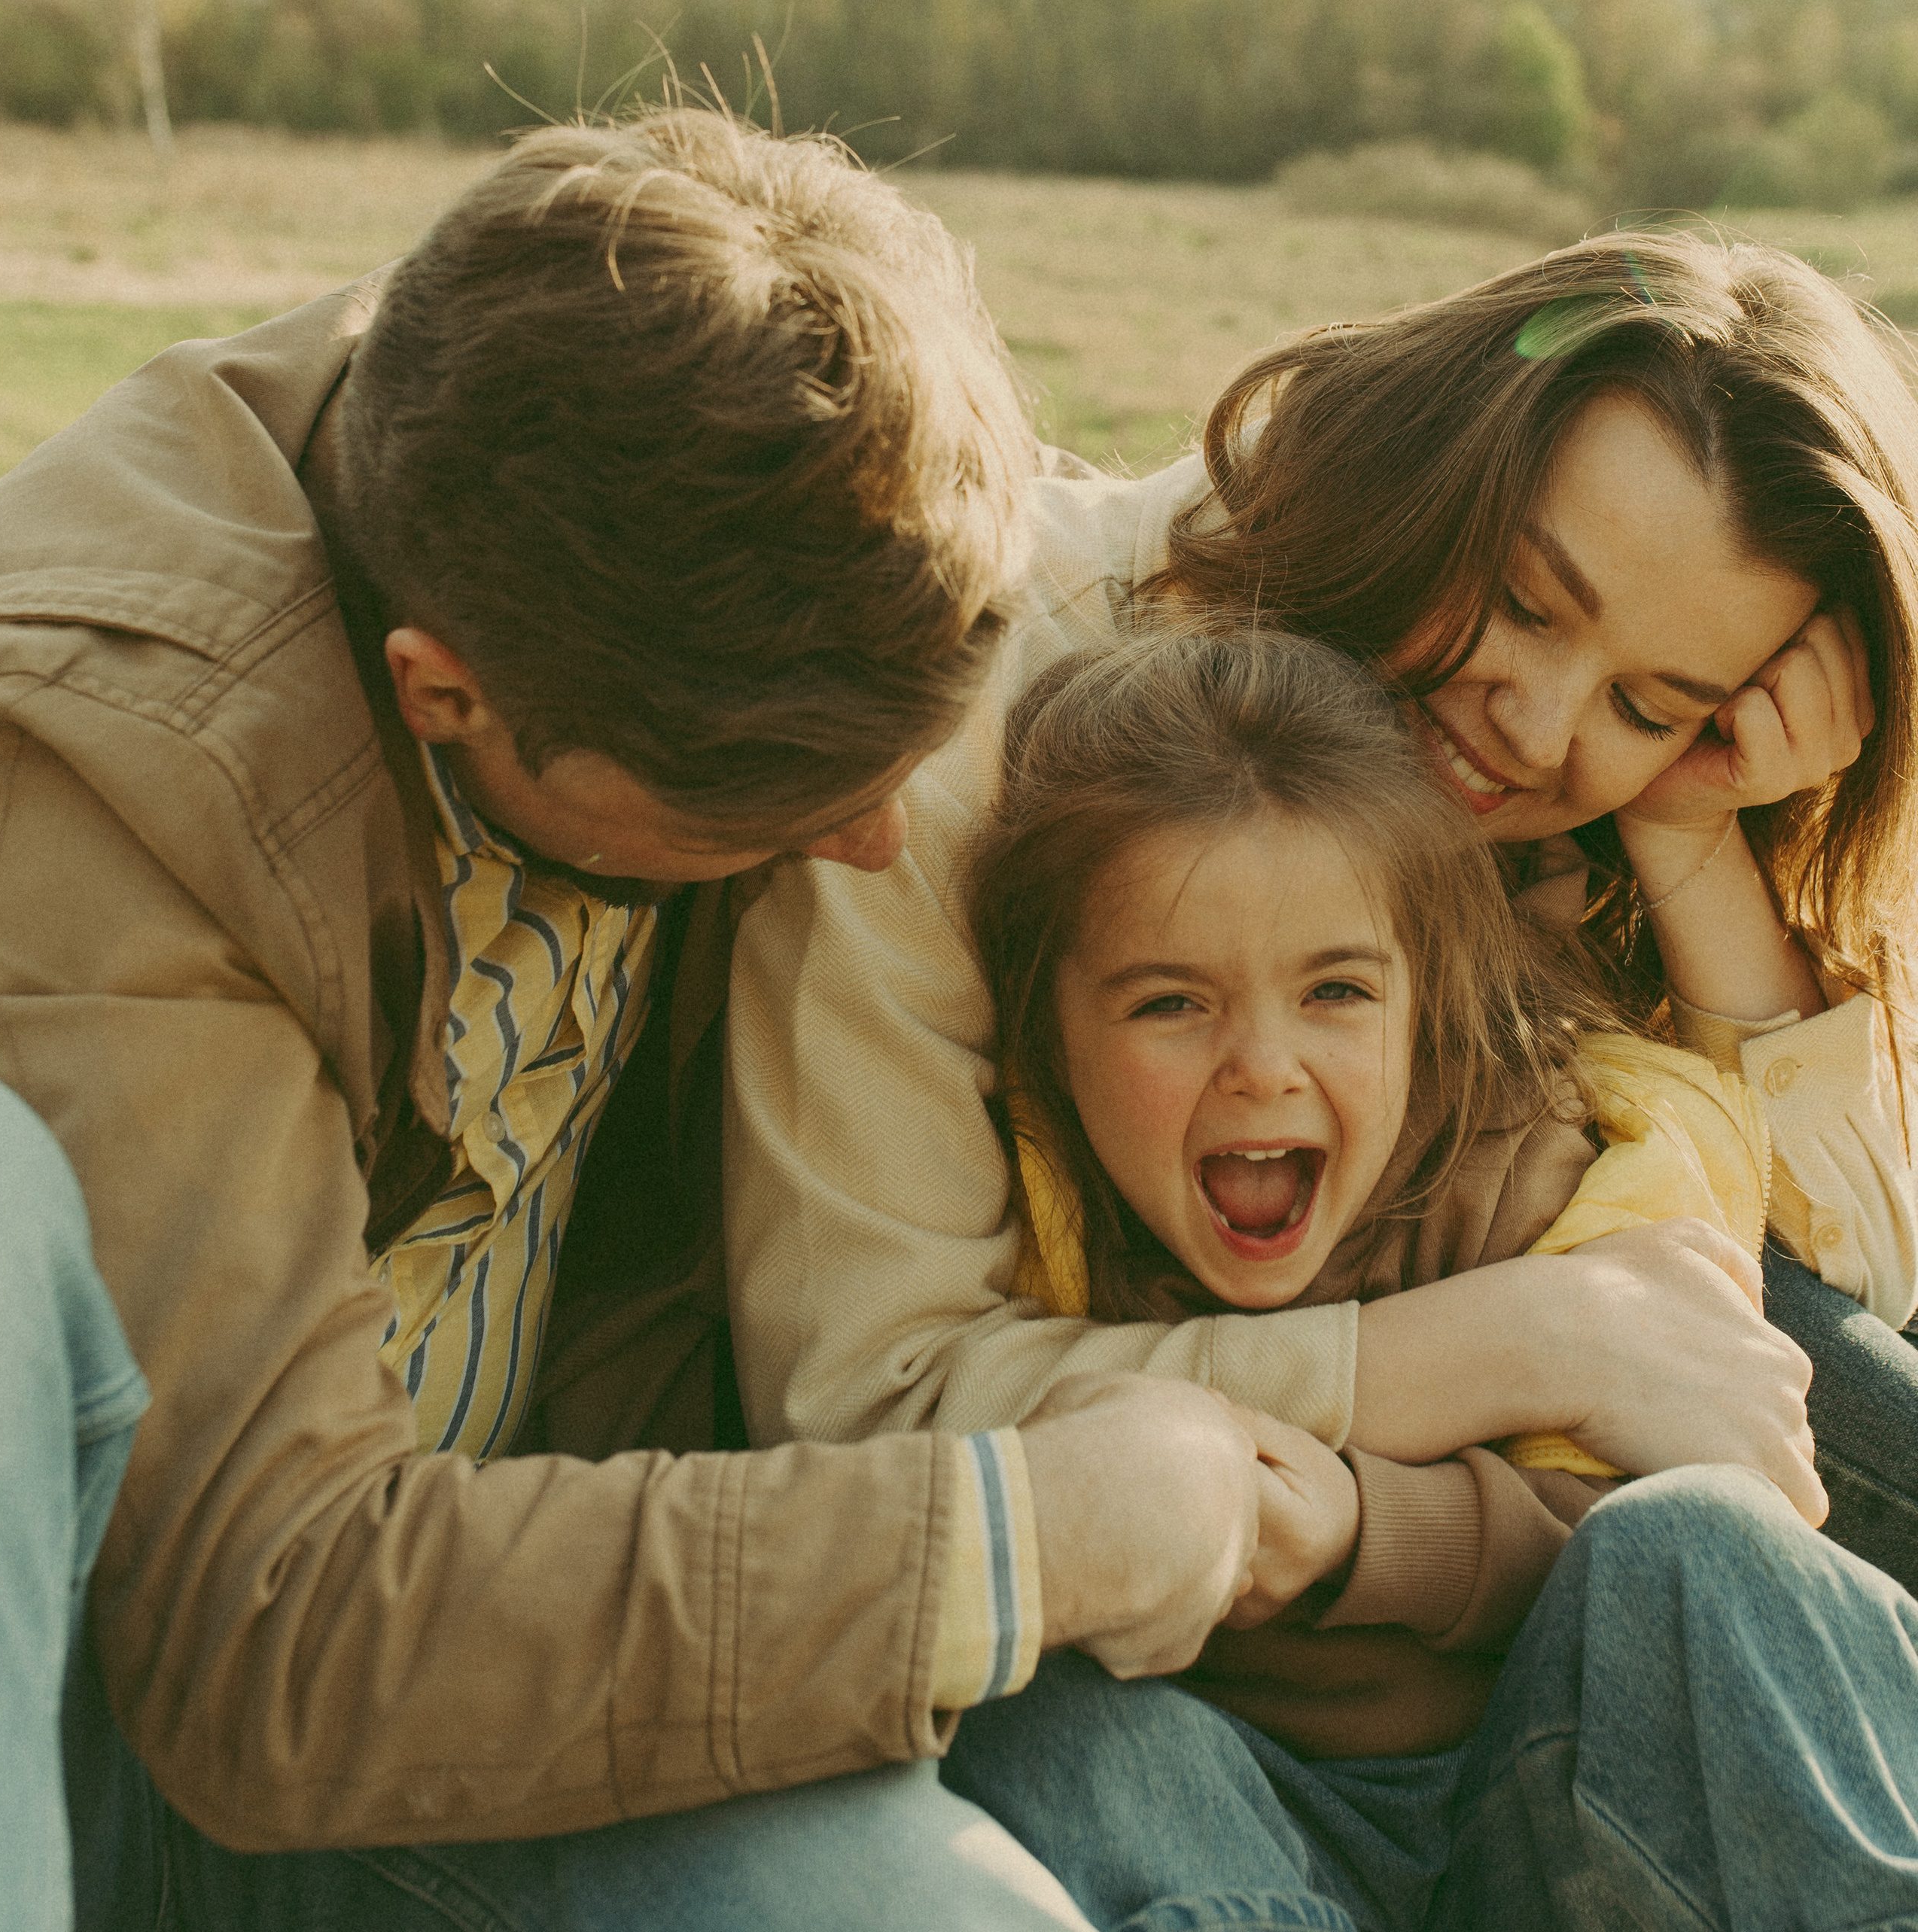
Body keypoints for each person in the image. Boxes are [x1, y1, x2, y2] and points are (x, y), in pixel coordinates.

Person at [0, 109, 1277, 1932]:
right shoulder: (110, 788)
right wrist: (1017, 1534)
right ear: (450, 695)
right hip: (135, 1741)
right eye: (768, 809)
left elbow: (1129, 537)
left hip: (523, 1646)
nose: (862, 841)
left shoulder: (666, 447)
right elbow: (262, 1630)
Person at [726, 228, 1915, 1537]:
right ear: (1423, 463)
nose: (1537, 725)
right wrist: (1514, 1347)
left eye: (1648, 701)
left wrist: (1694, 845)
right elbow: (864, 1407)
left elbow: (1849, 1279)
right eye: (1523, 603)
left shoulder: (1584, 801)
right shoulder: (967, 735)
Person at [938, 622, 1918, 1930]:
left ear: (1423, 995)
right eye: (1170, 1004)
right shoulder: (1035, 1216)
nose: (1262, 1065)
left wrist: (1361, 1531)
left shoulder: (1528, 1177)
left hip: (1551, 1792)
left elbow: (1654, 1546)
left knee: (1697, 1543)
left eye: (1336, 991)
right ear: (1048, 1029)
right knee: (1046, 1723)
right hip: (1249, 1833)